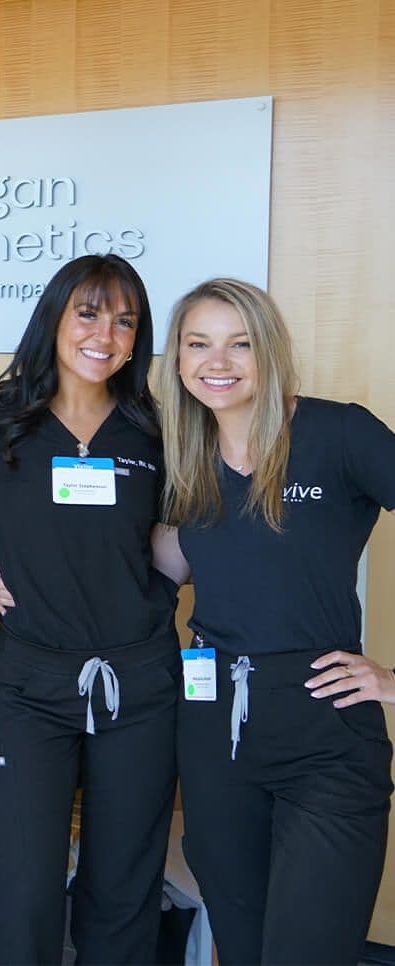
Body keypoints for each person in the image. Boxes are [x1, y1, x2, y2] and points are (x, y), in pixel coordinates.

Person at [152, 277, 395, 965]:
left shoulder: (337, 432)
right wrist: (15, 576)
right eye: (198, 344)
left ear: (271, 351)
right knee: (242, 938)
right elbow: (154, 569)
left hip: (325, 729)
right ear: (178, 359)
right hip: (213, 730)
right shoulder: (187, 456)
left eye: (239, 344)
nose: (217, 361)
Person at [0, 254, 180, 964]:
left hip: (141, 682)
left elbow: (170, 545)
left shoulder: (157, 429)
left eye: (125, 320)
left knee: (123, 884)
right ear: (56, 318)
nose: (106, 334)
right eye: (88, 313)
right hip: (30, 686)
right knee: (27, 886)